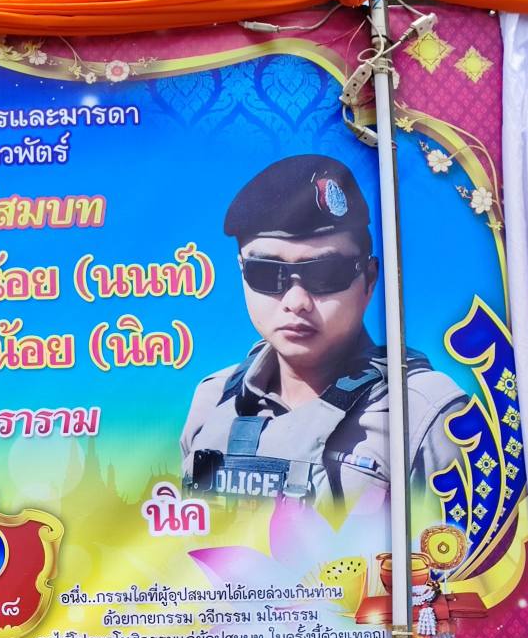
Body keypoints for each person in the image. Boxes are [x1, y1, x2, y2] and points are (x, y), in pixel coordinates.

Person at [180, 154, 466, 507]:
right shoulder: (213, 400)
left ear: (370, 279)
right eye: (267, 273)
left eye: (326, 274)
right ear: (242, 272)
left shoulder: (422, 413)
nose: (296, 301)